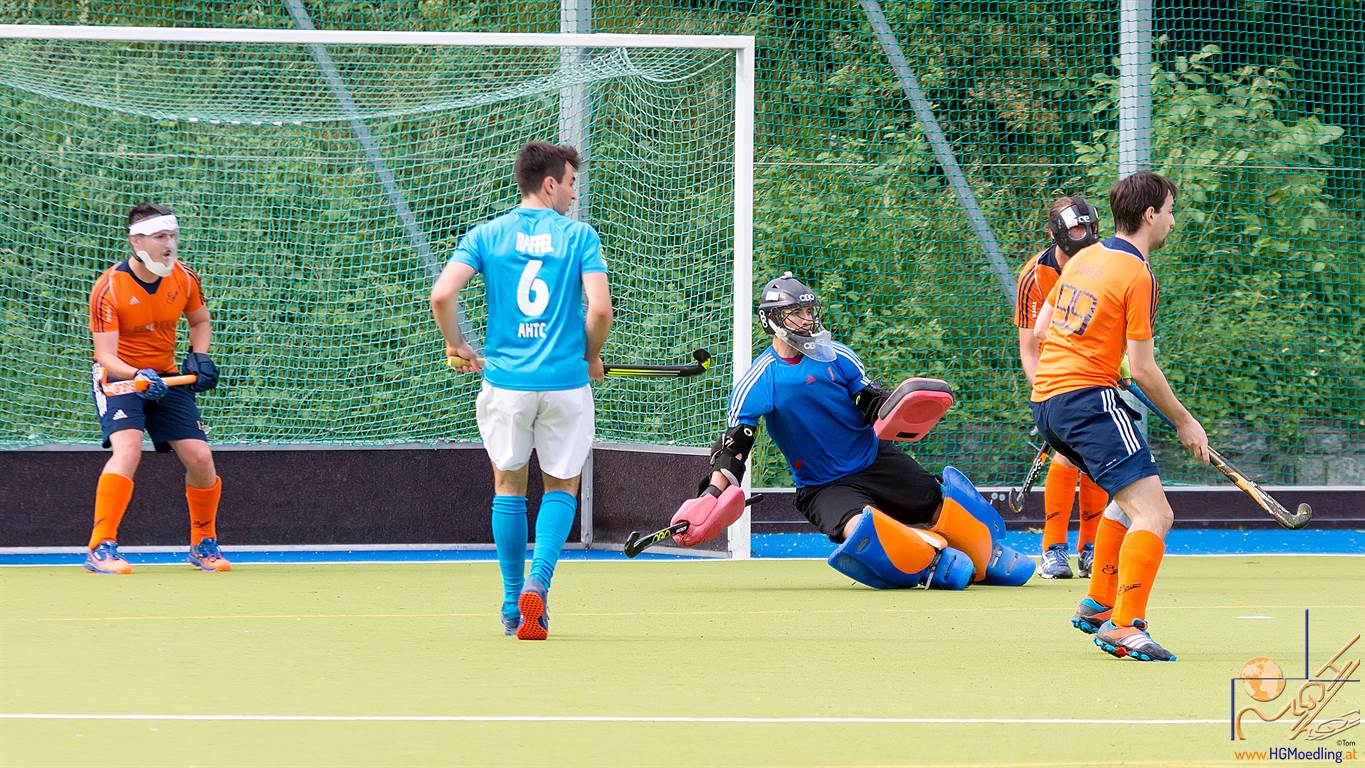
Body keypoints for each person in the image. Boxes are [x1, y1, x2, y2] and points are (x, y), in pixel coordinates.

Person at [669, 272, 1035, 591]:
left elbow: (871, 402)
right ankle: (929, 564)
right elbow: (734, 450)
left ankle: (986, 552)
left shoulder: (838, 356)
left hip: (873, 459)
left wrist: (903, 408)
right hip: (822, 486)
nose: (807, 319)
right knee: (858, 527)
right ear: (772, 320)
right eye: (796, 312)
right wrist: (711, 497)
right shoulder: (759, 380)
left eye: (810, 311)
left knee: (935, 500)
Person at [430, 141, 612, 640]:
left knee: (508, 485)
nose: (573, 194)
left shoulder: (487, 234)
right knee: (562, 486)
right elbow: (599, 310)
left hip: (506, 385)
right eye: (571, 184)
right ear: (550, 183)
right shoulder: (580, 236)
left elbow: (442, 294)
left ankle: (513, 603)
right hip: (565, 386)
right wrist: (590, 355)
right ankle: (539, 583)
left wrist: (456, 344)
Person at [1030, 171, 1209, 662]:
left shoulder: (1084, 257)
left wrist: (1107, 360)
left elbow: (1045, 329)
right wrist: (1185, 421)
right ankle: (1125, 625)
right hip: (1088, 401)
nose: (1172, 221)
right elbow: (1145, 368)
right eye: (1170, 211)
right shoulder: (1137, 274)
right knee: (1156, 513)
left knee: (1126, 502)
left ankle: (1098, 603)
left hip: (1048, 402)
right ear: (1150, 215)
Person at [85, 203, 225, 574]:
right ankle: (101, 547)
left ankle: (203, 543)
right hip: (119, 378)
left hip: (166, 376)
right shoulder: (108, 288)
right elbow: (105, 355)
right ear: (137, 241)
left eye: (172, 236)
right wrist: (138, 375)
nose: (169, 244)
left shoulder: (185, 277)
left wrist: (200, 356)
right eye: (160, 236)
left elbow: (200, 321)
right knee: (129, 449)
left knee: (201, 458)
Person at [1015, 197, 1110, 579]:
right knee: (1069, 455)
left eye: (1089, 228)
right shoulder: (1034, 276)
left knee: (1094, 454)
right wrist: (1047, 397)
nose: (1084, 236)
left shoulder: (1104, 266)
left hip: (1096, 370)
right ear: (1054, 233)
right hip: (1054, 376)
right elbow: (1029, 348)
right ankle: (1054, 550)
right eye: (1075, 229)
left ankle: (1090, 549)